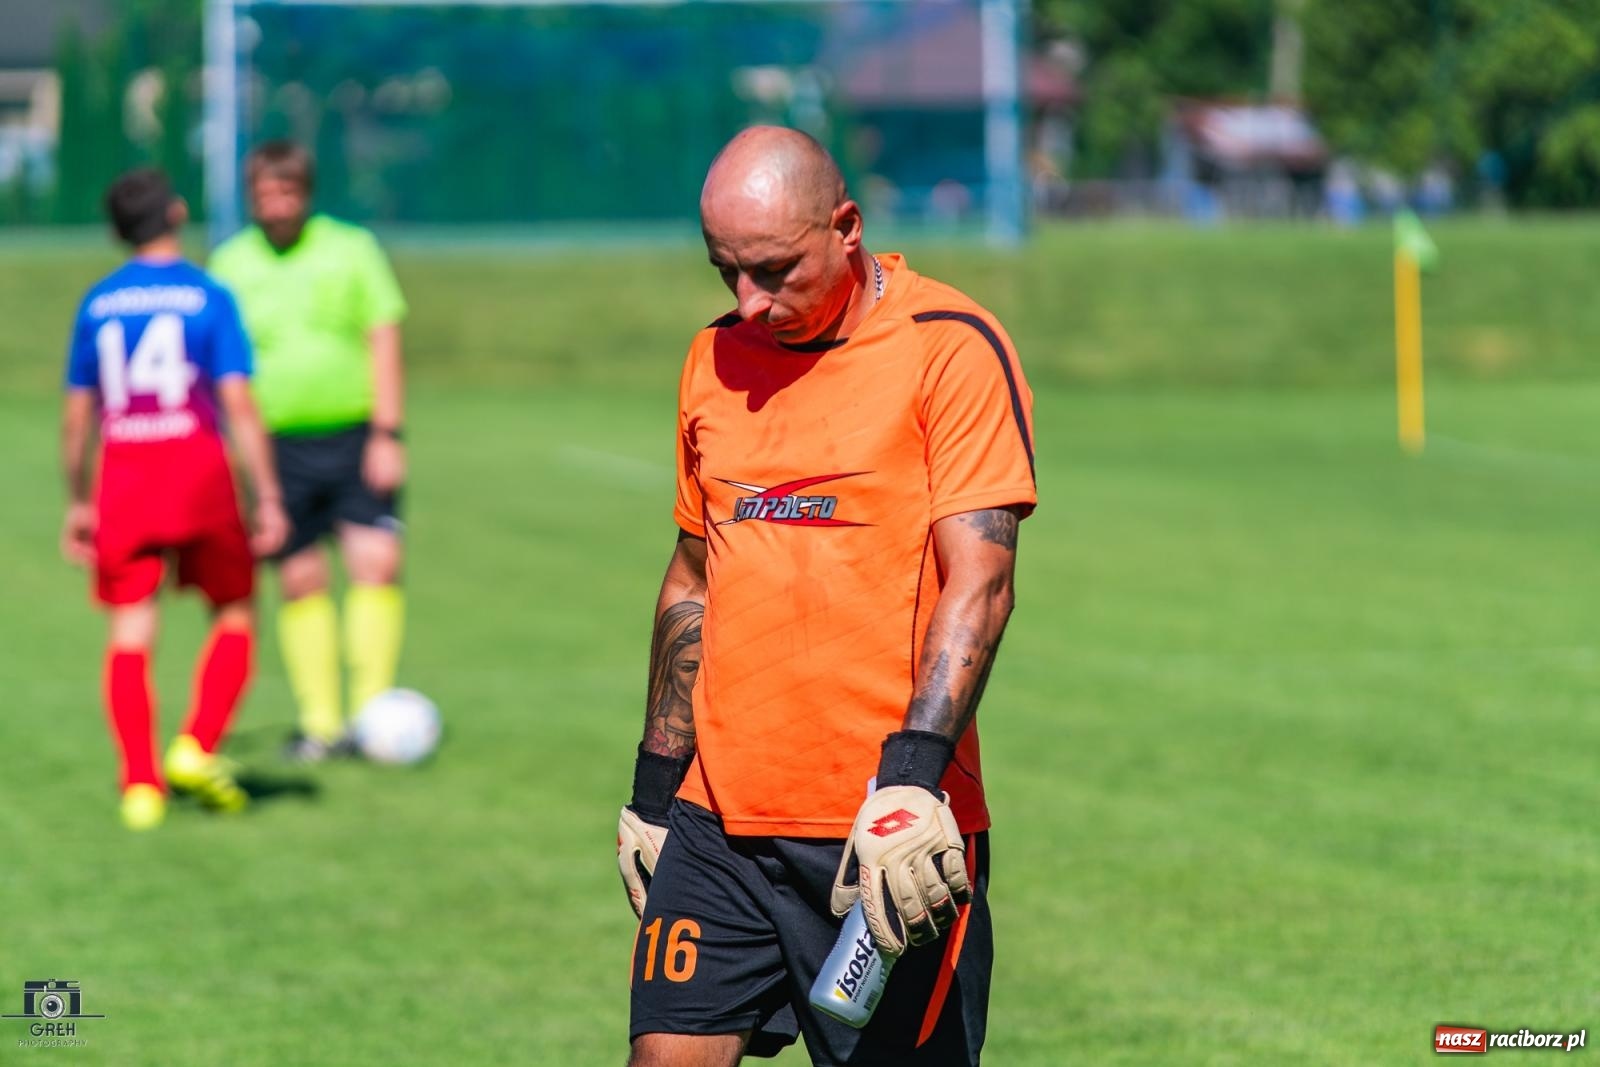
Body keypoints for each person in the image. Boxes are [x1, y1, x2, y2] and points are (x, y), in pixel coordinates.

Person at [616, 126, 1037, 1067]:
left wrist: (911, 781)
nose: (749, 302)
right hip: (717, 820)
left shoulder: (949, 347)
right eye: (725, 270)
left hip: (884, 836)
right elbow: (693, 578)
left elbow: (982, 580)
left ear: (846, 227)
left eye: (772, 270)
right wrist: (652, 788)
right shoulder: (711, 360)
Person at [61, 167, 288, 830]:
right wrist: (267, 494)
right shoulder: (208, 295)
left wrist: (78, 499)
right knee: (235, 612)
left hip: (124, 478)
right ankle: (195, 745)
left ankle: (140, 784)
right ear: (178, 213)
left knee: (131, 628)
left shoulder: (97, 302)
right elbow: (238, 402)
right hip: (197, 474)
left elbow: (78, 417)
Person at [209, 141, 410, 761]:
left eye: (286, 191)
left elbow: (382, 335)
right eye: (265, 193)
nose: (276, 204)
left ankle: (370, 717)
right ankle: (321, 725)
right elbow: (217, 368)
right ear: (251, 195)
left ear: (306, 191)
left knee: (375, 562)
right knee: (300, 579)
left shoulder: (351, 249)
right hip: (273, 449)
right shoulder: (229, 264)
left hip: (354, 437)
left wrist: (386, 431)